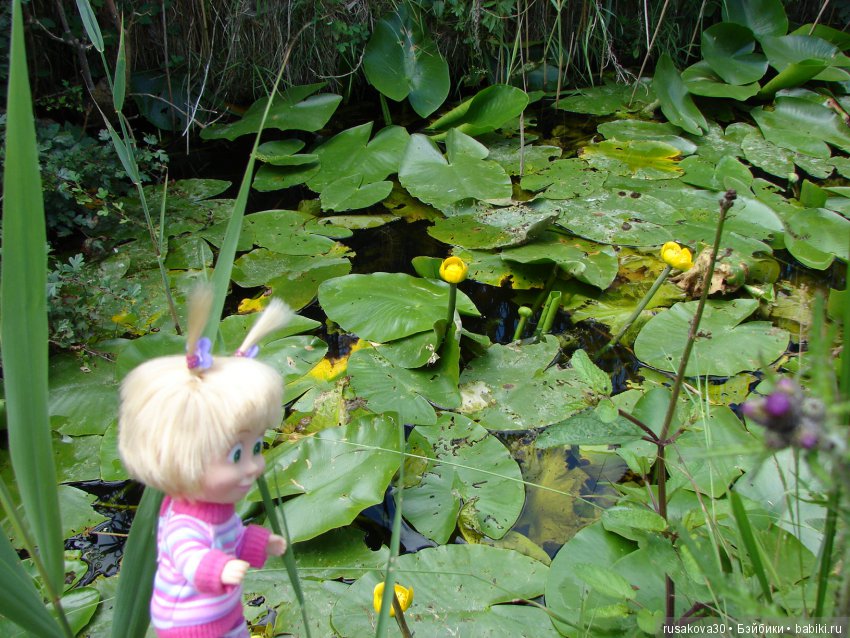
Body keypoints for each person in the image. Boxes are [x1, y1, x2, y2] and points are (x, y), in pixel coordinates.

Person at [118, 287, 290, 637]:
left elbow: (232, 538)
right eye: (237, 454)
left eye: (257, 447)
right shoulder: (184, 522)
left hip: (225, 615)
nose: (254, 466)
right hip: (189, 626)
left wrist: (260, 543)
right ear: (182, 457)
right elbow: (190, 558)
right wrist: (218, 569)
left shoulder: (218, 512)